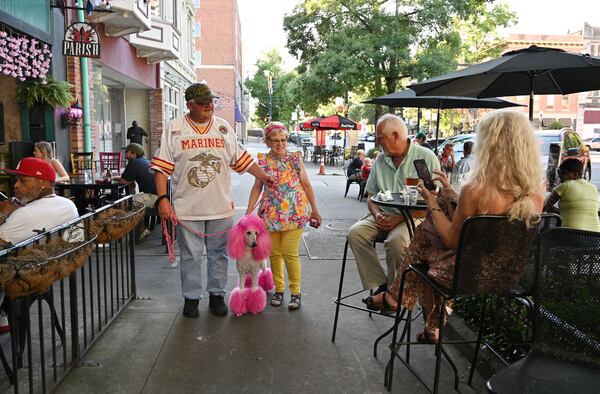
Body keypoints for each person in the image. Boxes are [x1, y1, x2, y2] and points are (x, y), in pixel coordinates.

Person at [364, 110, 544, 343]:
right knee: (425, 240)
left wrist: (431, 202)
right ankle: (426, 323)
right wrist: (452, 194)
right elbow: (490, 230)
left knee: (424, 246)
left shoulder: (476, 190)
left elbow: (451, 240)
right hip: (512, 275)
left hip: (467, 273)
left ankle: (398, 299)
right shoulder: (537, 193)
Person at [151, 82, 273, 318]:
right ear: (189, 105)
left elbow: (242, 160)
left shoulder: (223, 128)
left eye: (211, 101)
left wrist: (265, 177)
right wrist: (162, 199)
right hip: (188, 209)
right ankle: (191, 298)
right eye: (203, 102)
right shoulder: (175, 129)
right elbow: (161, 168)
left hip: (220, 208)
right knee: (191, 257)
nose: (209, 106)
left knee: (219, 255)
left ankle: (217, 294)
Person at [347, 114, 440, 297]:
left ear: (396, 136)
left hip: (415, 217)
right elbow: (371, 196)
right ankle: (382, 284)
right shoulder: (381, 160)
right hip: (384, 214)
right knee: (355, 234)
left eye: (380, 137)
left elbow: (436, 201)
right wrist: (376, 215)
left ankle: (395, 293)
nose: (377, 141)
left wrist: (400, 217)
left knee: (396, 242)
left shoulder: (425, 157)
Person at [246, 122, 322, 310]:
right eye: (276, 140)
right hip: (270, 214)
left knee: (289, 253)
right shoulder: (262, 161)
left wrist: (315, 209)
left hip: (295, 213)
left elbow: (306, 184)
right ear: (267, 141)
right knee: (274, 254)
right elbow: (257, 187)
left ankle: (295, 293)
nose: (280, 144)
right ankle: (279, 289)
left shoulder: (295, 158)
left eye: (283, 140)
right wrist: (247, 214)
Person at [0, 157, 79, 332]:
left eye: (23, 180)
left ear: (43, 183)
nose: (16, 185)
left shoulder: (26, 214)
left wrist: (4, 214)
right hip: (52, 267)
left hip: (21, 274)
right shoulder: (68, 204)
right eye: (17, 180)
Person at [115, 143, 158, 239]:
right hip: (159, 197)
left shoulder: (133, 163)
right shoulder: (145, 160)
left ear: (133, 153)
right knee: (133, 199)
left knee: (123, 203)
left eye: (127, 152)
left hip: (153, 198)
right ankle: (141, 227)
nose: (125, 154)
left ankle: (127, 231)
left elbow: (123, 181)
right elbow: (131, 181)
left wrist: (114, 178)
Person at [544, 158, 600, 232]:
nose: (560, 176)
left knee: (544, 238)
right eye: (559, 173)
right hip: (594, 239)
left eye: (563, 173)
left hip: (571, 236)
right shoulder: (593, 188)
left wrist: (561, 214)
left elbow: (547, 205)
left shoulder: (565, 185)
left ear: (574, 174)